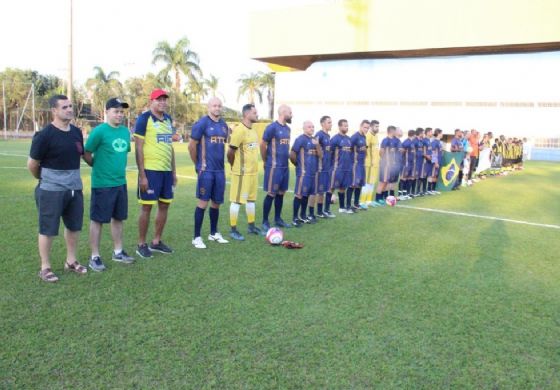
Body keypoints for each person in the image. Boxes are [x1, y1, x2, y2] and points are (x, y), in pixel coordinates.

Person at [28, 94, 88, 282]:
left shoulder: (77, 132)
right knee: (48, 229)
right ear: (54, 111)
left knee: (74, 226)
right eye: (64, 107)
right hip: (51, 190)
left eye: (70, 106)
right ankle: (45, 267)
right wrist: (44, 179)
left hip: (74, 188)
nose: (69, 109)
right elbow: (32, 164)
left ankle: (71, 261)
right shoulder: (44, 135)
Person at [83, 98, 134, 271]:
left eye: (121, 112)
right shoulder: (99, 131)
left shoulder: (125, 132)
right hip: (102, 183)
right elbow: (86, 152)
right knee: (98, 220)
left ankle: (118, 251)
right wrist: (95, 166)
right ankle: (94, 256)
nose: (119, 114)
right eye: (116, 111)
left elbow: (123, 152)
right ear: (107, 112)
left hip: (120, 182)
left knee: (118, 218)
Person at [133, 88, 176, 258]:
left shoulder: (168, 119)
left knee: (165, 205)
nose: (162, 102)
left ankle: (156, 242)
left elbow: (169, 147)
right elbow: (138, 147)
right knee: (147, 207)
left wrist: (173, 172)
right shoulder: (144, 119)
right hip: (150, 171)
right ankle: (141, 243)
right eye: (159, 99)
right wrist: (142, 175)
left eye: (165, 99)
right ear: (151, 101)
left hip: (166, 172)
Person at [189, 97, 230, 248]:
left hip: (220, 170)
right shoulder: (202, 123)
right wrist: (198, 164)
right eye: (214, 105)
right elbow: (191, 146)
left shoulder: (224, 125)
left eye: (219, 105)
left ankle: (213, 233)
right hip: (206, 171)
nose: (217, 108)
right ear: (208, 107)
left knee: (217, 202)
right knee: (203, 203)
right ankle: (197, 237)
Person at [228, 104, 262, 241]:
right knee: (236, 201)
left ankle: (251, 226)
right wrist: (234, 166)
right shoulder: (239, 130)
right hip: (242, 173)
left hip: (253, 173)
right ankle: (233, 230)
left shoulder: (253, 131)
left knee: (251, 200)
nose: (257, 114)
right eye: (254, 112)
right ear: (247, 114)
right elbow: (230, 152)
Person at [261, 105, 293, 231]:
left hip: (285, 166)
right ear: (283, 112)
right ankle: (265, 221)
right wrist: (265, 160)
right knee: (271, 193)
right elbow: (263, 144)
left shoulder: (288, 129)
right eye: (290, 112)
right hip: (274, 166)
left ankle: (278, 219)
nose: (292, 114)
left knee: (281, 193)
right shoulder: (272, 127)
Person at [290, 120, 322, 226]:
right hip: (303, 173)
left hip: (313, 173)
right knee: (299, 194)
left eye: (313, 127)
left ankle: (303, 216)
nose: (311, 129)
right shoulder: (300, 139)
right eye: (309, 127)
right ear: (304, 128)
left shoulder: (314, 140)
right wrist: (298, 165)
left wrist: (317, 145)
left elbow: (321, 155)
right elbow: (292, 153)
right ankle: (295, 218)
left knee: (306, 195)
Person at [329, 119, 354, 213]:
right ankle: (326, 209)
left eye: (347, 126)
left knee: (343, 188)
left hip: (346, 168)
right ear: (339, 126)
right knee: (331, 188)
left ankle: (342, 208)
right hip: (336, 168)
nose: (346, 127)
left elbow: (350, 153)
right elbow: (329, 153)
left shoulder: (349, 139)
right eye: (344, 126)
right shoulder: (335, 139)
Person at [314, 116, 336, 218]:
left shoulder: (328, 136)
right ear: (323, 123)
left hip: (327, 167)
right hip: (320, 167)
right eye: (329, 122)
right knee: (320, 191)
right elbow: (315, 148)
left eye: (331, 122)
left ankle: (323, 211)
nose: (331, 124)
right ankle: (319, 212)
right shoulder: (319, 135)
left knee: (325, 190)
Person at [348, 120, 369, 211]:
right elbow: (349, 149)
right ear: (360, 126)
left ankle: (356, 204)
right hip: (355, 164)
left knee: (360, 184)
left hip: (361, 164)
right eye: (365, 127)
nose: (366, 129)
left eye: (368, 128)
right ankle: (348, 205)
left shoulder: (364, 136)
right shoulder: (354, 137)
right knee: (353, 184)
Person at [360, 119, 380, 207]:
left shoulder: (376, 136)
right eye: (376, 126)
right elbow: (366, 149)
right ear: (371, 127)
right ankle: (362, 202)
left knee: (372, 182)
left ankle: (368, 200)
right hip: (369, 163)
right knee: (366, 183)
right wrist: (369, 160)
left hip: (375, 164)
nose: (377, 128)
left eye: (378, 126)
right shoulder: (368, 136)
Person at [399, 129, 417, 200]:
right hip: (405, 164)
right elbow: (401, 152)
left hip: (411, 163)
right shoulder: (406, 142)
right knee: (403, 178)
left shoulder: (412, 143)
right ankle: (400, 194)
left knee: (408, 178)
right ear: (414, 135)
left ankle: (406, 193)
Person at [427, 128, 443, 194]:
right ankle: (429, 190)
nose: (442, 134)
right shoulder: (434, 142)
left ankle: (433, 189)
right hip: (435, 162)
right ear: (438, 134)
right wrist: (435, 162)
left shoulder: (439, 142)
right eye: (441, 133)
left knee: (435, 175)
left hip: (439, 161)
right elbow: (433, 152)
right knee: (432, 175)